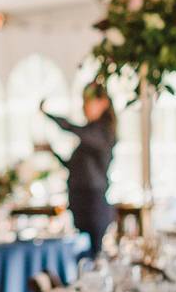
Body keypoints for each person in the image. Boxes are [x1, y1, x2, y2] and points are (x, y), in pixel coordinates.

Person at [36, 83, 117, 257]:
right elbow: (73, 167)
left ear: (103, 103)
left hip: (93, 204)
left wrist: (48, 114)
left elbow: (72, 128)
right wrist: (53, 152)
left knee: (93, 256)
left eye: (88, 102)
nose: (83, 107)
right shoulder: (91, 136)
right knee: (81, 256)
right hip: (80, 202)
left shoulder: (103, 132)